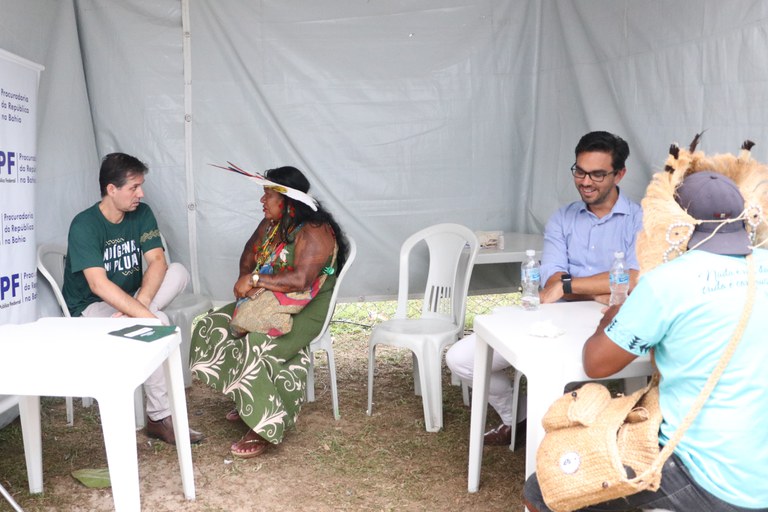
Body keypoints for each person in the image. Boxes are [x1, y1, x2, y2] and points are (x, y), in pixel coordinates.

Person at [523, 169, 768, 511]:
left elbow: (596, 363)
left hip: (709, 478)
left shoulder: (667, 281)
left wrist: (611, 319)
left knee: (541, 491)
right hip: (760, 469)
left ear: (675, 221)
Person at [446, 131, 643, 447]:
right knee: (461, 359)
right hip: (554, 322)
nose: (585, 181)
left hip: (611, 325)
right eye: (579, 171)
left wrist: (569, 286)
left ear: (619, 174)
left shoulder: (639, 220)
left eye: (597, 174)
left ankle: (583, 434)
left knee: (566, 374)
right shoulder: (563, 219)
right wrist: (595, 289)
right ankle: (521, 417)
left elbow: (635, 278)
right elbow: (552, 283)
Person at [189, 165, 349, 459]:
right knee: (211, 326)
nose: (262, 201)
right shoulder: (273, 224)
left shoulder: (314, 232)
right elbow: (249, 254)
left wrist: (255, 280)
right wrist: (248, 281)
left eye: (267, 195)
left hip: (307, 309)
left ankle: (264, 425)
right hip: (268, 300)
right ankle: (246, 394)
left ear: (287, 201)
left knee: (258, 344)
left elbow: (302, 280)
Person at [62, 152, 203, 445]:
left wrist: (139, 309)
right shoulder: (84, 225)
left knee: (178, 271)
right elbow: (99, 285)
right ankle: (159, 416)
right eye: (133, 187)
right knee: (158, 322)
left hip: (131, 298)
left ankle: (141, 313)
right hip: (91, 306)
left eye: (141, 186)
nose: (141, 193)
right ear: (111, 189)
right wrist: (147, 315)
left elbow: (158, 262)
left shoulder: (141, 212)